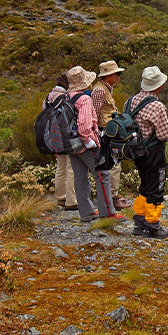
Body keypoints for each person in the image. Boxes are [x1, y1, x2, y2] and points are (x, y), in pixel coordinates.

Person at [65, 66, 123, 223]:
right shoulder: (84, 99)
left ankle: (87, 212)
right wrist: (91, 143)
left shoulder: (66, 97)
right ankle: (108, 213)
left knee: (80, 176)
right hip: (85, 143)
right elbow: (84, 126)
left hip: (71, 143)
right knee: (102, 174)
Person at [126, 66, 168, 239]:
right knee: (156, 186)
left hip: (136, 151)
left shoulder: (131, 100)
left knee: (145, 185)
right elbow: (164, 134)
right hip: (153, 152)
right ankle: (153, 224)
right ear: (157, 86)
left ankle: (139, 221)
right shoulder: (157, 106)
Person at [91, 60, 130, 210]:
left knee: (114, 164)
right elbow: (94, 112)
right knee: (112, 164)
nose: (119, 76)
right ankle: (112, 197)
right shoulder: (100, 91)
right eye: (116, 74)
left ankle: (112, 195)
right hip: (105, 132)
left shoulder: (106, 89)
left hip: (109, 130)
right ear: (108, 76)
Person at [46, 72, 76, 210]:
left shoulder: (48, 98)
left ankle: (60, 197)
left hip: (54, 137)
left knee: (60, 167)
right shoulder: (66, 97)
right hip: (67, 136)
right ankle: (71, 200)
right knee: (71, 167)